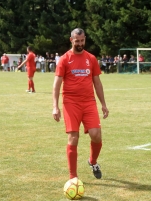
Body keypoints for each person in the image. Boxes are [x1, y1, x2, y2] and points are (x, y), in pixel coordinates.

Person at [52, 28, 109, 180]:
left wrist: (103, 104)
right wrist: (55, 106)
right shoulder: (64, 59)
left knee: (96, 135)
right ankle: (73, 177)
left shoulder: (91, 58)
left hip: (89, 102)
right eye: (77, 41)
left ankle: (93, 161)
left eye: (82, 40)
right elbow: (56, 84)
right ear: (71, 40)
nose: (80, 43)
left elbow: (97, 82)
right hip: (71, 103)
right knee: (73, 138)